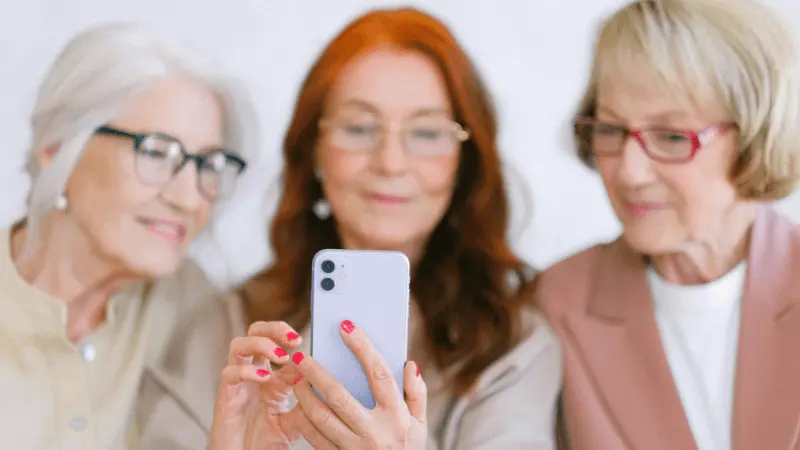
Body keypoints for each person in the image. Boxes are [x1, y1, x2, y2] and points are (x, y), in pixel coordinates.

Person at [140, 7, 562, 450]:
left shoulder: (514, 346)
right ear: (315, 153)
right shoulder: (232, 329)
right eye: (359, 128)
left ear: (464, 164)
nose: (390, 162)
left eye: (426, 133)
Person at [536, 0, 800, 449]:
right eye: (612, 131)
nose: (629, 172)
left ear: (759, 133)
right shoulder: (554, 304)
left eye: (672, 136)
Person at [0, 22, 258, 448]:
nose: (190, 200)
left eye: (208, 164)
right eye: (156, 153)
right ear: (57, 148)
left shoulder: (193, 306)